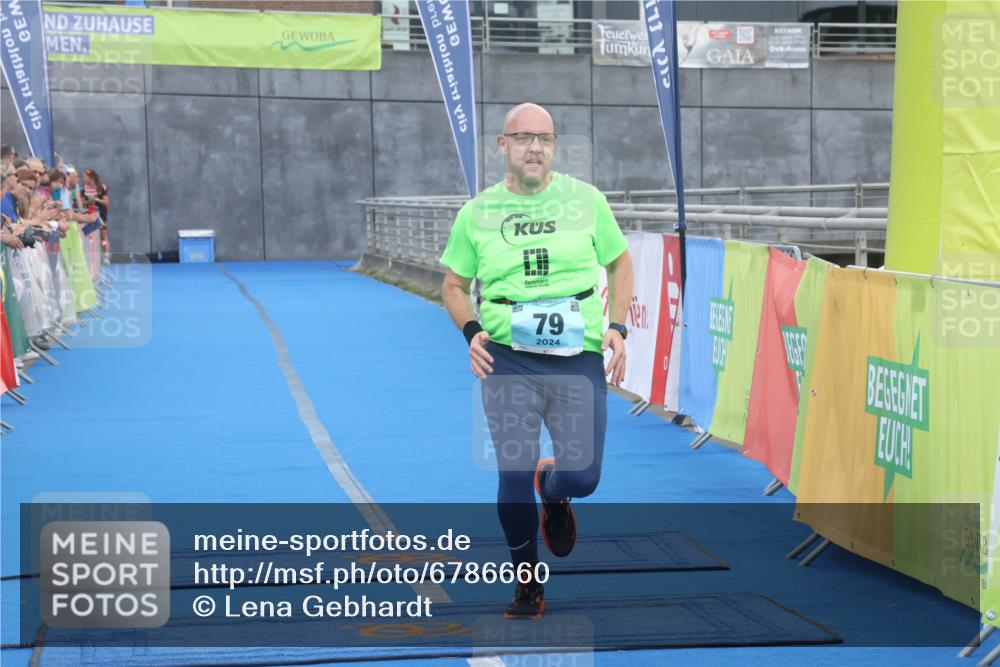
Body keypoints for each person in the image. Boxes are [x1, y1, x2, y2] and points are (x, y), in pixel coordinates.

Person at [439, 103, 634, 620]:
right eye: (523, 137)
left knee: (585, 477)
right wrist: (472, 331)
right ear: (503, 145)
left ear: (554, 146)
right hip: (509, 360)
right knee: (510, 473)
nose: (534, 147)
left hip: (577, 358)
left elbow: (619, 262)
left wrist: (617, 328)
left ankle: (555, 491)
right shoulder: (476, 214)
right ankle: (527, 583)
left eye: (544, 138)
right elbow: (455, 287)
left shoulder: (586, 201)